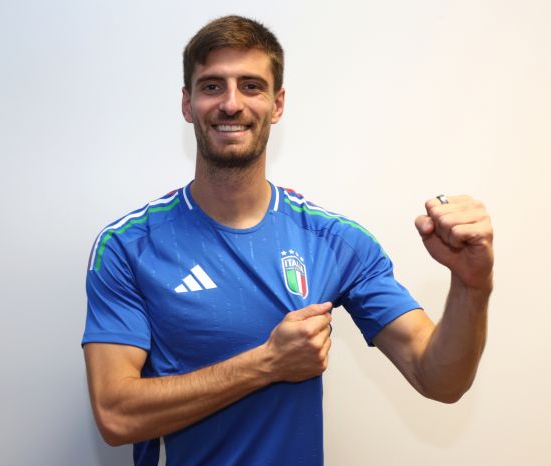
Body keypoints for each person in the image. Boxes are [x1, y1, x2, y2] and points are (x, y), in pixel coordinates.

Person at [82, 15, 493, 466]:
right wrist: (267, 364)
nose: (231, 104)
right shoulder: (128, 246)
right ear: (187, 103)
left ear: (277, 105)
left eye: (251, 86)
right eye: (213, 86)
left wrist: (472, 286)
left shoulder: (333, 241)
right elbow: (115, 415)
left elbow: (438, 378)